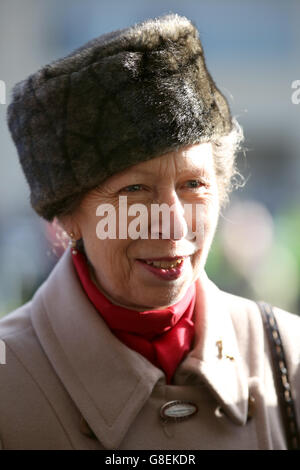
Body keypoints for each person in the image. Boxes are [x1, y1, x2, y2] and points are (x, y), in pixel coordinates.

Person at [0, 13, 299, 450]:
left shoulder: (286, 359)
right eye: (134, 190)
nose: (173, 222)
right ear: (67, 217)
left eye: (193, 184)